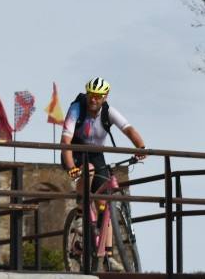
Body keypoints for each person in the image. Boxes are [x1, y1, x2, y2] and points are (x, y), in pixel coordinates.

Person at [60, 77, 147, 257]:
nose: (94, 100)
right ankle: (80, 210)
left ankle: (106, 255)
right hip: (75, 151)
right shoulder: (77, 109)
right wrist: (71, 167)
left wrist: (140, 147)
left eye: (98, 96)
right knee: (88, 170)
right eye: (91, 95)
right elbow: (65, 142)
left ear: (105, 97)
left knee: (103, 200)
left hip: (96, 153)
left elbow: (128, 129)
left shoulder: (109, 112)